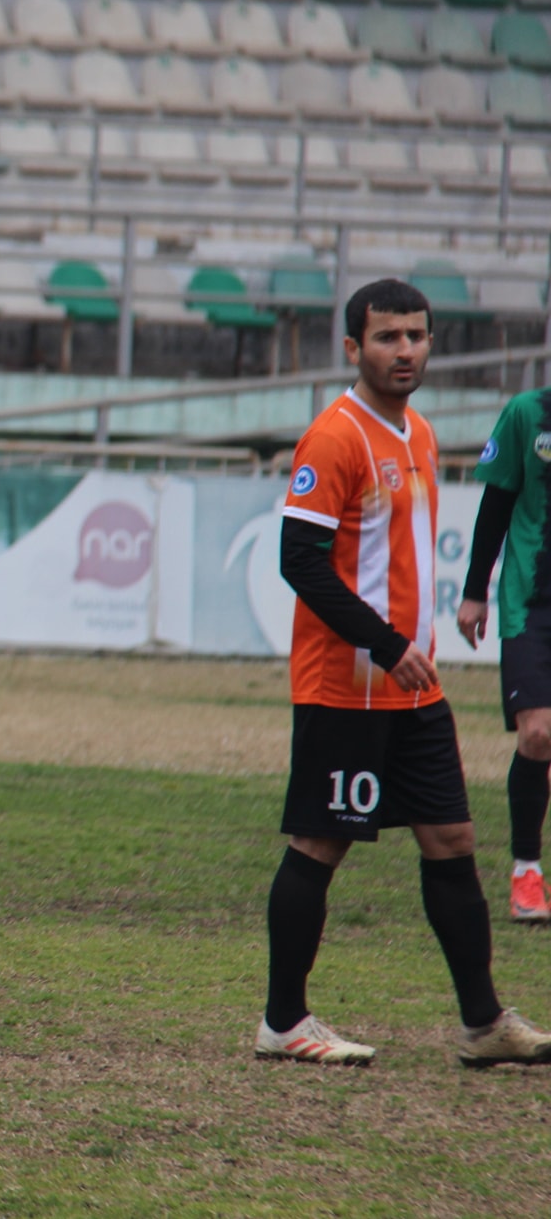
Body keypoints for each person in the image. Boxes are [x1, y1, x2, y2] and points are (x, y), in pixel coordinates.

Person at [259, 279, 551, 1068]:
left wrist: (406, 650)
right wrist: (386, 643)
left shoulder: (417, 432)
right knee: (320, 842)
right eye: (387, 337)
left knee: (453, 837)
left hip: (412, 687)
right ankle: (284, 1021)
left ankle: (483, 1022)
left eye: (417, 336)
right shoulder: (336, 436)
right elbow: (300, 562)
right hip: (347, 684)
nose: (406, 351)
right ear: (353, 348)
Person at [458, 385, 551, 922]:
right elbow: (496, 505)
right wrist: (474, 591)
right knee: (537, 733)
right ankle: (526, 872)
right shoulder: (527, 413)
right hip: (531, 603)